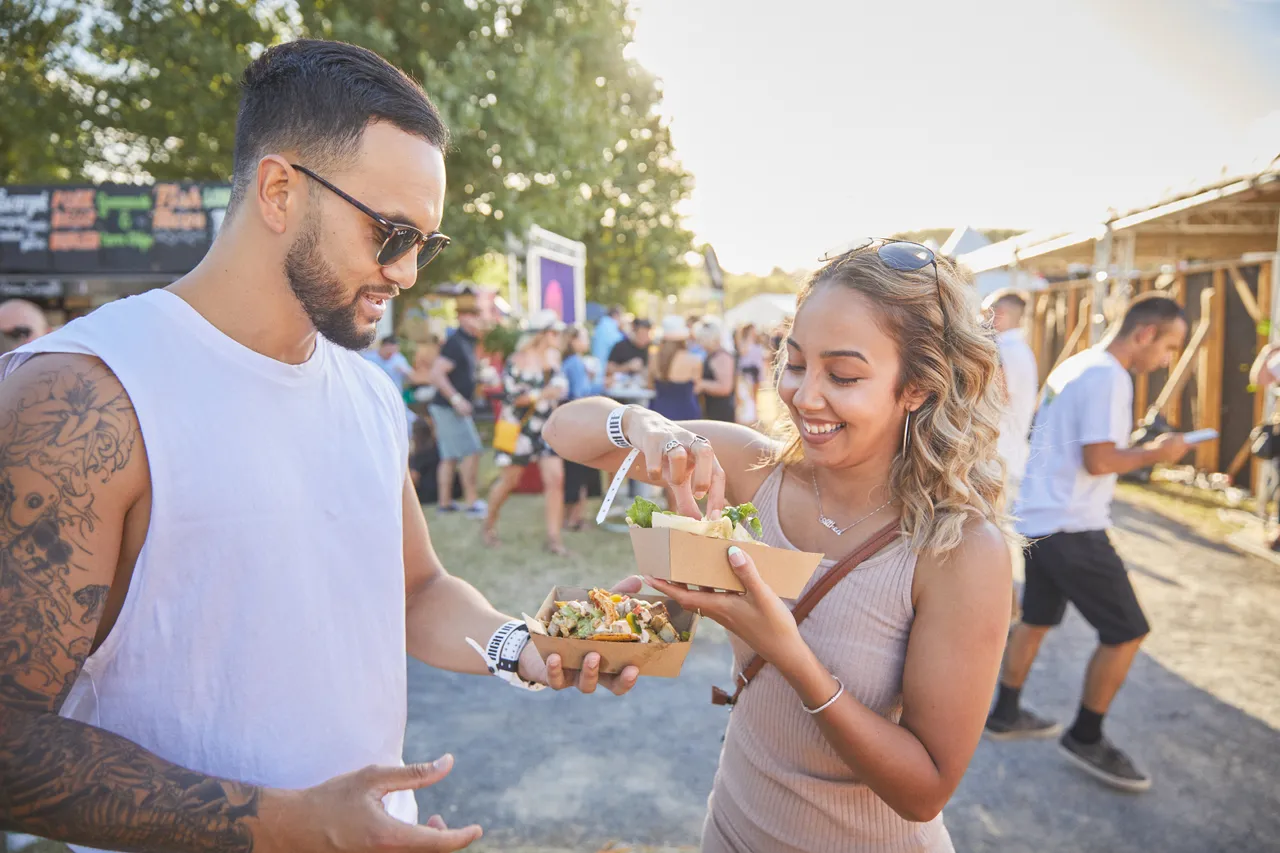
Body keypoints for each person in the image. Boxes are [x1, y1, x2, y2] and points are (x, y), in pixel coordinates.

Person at [0, 40, 636, 853]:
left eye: (424, 244)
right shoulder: (85, 392)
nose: (406, 272)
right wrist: (297, 827)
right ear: (278, 189)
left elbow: (414, 589)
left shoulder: (368, 391)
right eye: (391, 232)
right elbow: (10, 746)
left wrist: (527, 645)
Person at [546, 239, 1013, 852]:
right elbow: (564, 433)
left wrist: (788, 654)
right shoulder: (747, 467)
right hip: (732, 828)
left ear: (918, 388)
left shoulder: (959, 549)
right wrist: (642, 424)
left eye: (843, 375)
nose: (804, 396)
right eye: (795, 364)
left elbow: (924, 790)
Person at [986, 293, 1191, 793]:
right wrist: (1159, 452)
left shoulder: (1078, 365)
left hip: (1041, 517)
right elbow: (1099, 461)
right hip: (1073, 524)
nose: (1167, 360)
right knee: (1127, 631)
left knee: (1035, 621)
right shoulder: (1108, 376)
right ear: (1144, 333)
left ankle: (1005, 713)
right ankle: (1086, 735)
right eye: (1169, 347)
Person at [482, 309, 570, 555]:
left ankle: (554, 539)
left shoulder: (554, 359)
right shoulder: (517, 360)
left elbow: (562, 389)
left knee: (555, 480)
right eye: (554, 331)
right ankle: (488, 525)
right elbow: (512, 398)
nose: (559, 336)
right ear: (541, 334)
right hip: (519, 429)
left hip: (547, 427)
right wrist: (542, 394)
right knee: (510, 480)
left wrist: (553, 392)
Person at [983, 289, 1038, 619]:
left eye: (984, 313)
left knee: (991, 543)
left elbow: (994, 395)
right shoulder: (1023, 350)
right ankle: (1007, 611)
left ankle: (1002, 613)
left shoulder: (1002, 350)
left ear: (998, 314)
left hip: (996, 459)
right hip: (1009, 456)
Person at [427, 297, 489, 517]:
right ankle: (472, 502)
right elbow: (436, 374)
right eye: (475, 316)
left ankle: (445, 503)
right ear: (463, 317)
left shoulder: (468, 341)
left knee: (449, 456)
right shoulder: (456, 342)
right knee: (471, 450)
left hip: (449, 407)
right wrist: (456, 399)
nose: (480, 321)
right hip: (448, 407)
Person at [560, 324, 606, 531]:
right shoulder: (576, 363)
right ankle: (575, 519)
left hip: (567, 423)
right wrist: (601, 385)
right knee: (580, 471)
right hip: (578, 423)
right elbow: (580, 394)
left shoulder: (568, 362)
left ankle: (568, 517)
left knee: (571, 471)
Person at [650, 315, 703, 422]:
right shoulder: (694, 360)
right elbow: (697, 388)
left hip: (659, 411)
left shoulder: (654, 357)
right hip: (686, 413)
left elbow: (650, 385)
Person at [696, 318, 736, 423]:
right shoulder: (711, 355)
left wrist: (701, 384)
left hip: (720, 410)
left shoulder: (721, 357)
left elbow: (725, 387)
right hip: (712, 407)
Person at [606, 317, 652, 384]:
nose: (645, 338)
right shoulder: (620, 346)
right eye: (642, 334)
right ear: (635, 332)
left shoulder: (648, 348)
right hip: (619, 388)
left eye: (647, 334)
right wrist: (628, 366)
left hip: (641, 389)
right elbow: (608, 369)